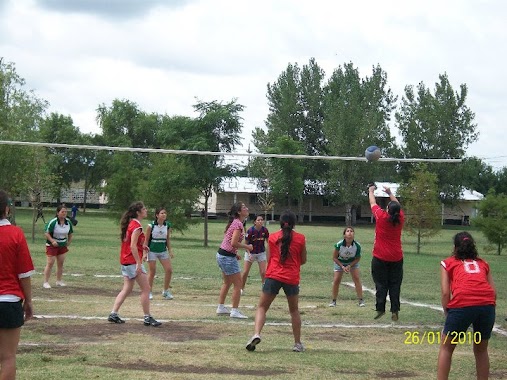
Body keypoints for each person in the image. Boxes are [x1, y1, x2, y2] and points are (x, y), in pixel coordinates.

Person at [437, 232, 496, 380]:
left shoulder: (448, 263)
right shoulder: (483, 263)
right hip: (487, 305)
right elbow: (493, 292)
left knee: (447, 348)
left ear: (455, 247)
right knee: (481, 350)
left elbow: (445, 293)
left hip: (462, 304)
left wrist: (447, 311)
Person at [246, 210, 307, 353]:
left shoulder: (273, 237)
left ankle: (256, 334)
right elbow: (303, 260)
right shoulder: (301, 238)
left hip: (273, 275)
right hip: (291, 277)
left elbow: (269, 257)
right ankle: (297, 343)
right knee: (294, 310)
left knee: (262, 307)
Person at [108, 201, 161, 327]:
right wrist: (138, 263)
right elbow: (132, 246)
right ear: (138, 212)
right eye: (144, 209)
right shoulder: (137, 226)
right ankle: (147, 317)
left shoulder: (131, 224)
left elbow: (132, 243)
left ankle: (113, 314)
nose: (146, 210)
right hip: (131, 262)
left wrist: (142, 247)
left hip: (125, 261)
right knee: (146, 289)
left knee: (127, 288)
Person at [0, 190, 35, 379]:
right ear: (7, 209)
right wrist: (28, 301)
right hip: (9, 301)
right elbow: (24, 274)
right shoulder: (15, 234)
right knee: (7, 358)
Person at [368, 184, 404, 321]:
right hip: (396, 257)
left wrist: (371, 191)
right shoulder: (400, 218)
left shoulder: (382, 217)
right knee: (395, 284)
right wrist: (390, 192)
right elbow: (397, 205)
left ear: (388, 209)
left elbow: (372, 202)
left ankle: (380, 308)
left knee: (381, 284)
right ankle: (395, 310)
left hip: (380, 257)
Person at [216, 202, 253, 319]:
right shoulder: (238, 224)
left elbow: (228, 242)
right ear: (238, 212)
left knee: (227, 282)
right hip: (226, 257)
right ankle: (234, 311)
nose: (247, 208)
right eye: (244, 207)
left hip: (222, 254)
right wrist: (247, 247)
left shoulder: (237, 223)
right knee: (238, 284)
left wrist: (234, 253)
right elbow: (233, 242)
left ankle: (221, 307)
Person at [328, 226, 365, 307]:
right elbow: (334, 258)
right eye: (347, 231)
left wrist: (349, 266)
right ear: (344, 235)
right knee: (336, 280)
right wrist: (342, 266)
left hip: (352, 263)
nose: (350, 233)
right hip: (340, 262)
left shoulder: (357, 246)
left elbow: (358, 258)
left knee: (356, 278)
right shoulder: (339, 245)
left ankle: (361, 300)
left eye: (351, 231)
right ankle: (333, 300)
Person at [144, 207, 174, 300]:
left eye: (165, 213)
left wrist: (170, 250)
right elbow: (146, 240)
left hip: (162, 251)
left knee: (169, 270)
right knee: (152, 272)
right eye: (162, 213)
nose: (164, 215)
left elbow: (167, 239)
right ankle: (148, 291)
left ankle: (165, 291)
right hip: (152, 251)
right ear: (157, 215)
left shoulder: (167, 225)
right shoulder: (151, 226)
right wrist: (145, 253)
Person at [43, 205, 73, 289]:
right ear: (57, 213)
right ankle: (45, 282)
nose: (64, 213)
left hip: (62, 245)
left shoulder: (68, 222)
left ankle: (59, 280)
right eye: (62, 212)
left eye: (65, 212)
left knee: (60, 263)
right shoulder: (53, 222)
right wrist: (52, 241)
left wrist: (68, 242)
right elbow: (46, 232)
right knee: (50, 263)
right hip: (52, 245)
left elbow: (70, 233)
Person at [241, 215, 269, 294]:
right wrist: (249, 254)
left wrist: (270, 250)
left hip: (261, 253)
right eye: (258, 220)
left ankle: (264, 288)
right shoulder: (250, 231)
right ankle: (241, 289)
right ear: (254, 222)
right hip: (250, 253)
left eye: (262, 220)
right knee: (245, 272)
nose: (260, 221)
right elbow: (245, 244)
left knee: (263, 272)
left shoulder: (265, 230)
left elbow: (268, 242)